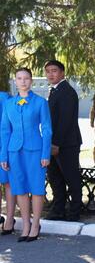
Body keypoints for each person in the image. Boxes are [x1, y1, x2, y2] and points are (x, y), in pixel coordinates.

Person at [0, 68, 52, 242]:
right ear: (15, 81)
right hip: (14, 152)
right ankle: (26, 226)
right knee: (19, 188)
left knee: (36, 188)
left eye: (26, 78)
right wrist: (3, 156)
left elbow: (47, 129)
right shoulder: (8, 104)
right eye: (19, 78)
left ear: (31, 81)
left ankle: (36, 225)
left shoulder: (40, 102)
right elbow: (5, 131)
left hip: (36, 151)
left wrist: (45, 154)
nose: (23, 81)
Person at [45, 60, 83, 222]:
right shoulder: (55, 90)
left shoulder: (66, 91)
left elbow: (65, 121)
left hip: (66, 144)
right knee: (55, 178)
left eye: (54, 71)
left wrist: (56, 143)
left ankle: (75, 212)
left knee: (71, 178)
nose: (50, 74)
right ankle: (58, 210)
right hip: (54, 143)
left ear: (62, 73)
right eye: (48, 71)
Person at [0, 88, 14, 235]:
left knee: (8, 183)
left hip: (4, 146)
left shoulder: (4, 98)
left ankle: (10, 219)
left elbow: (8, 127)